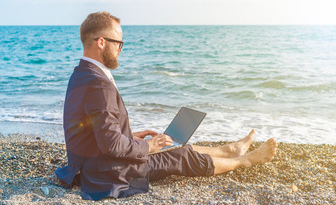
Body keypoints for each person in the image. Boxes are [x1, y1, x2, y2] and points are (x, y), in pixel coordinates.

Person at [55, 11, 278, 201]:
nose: (121, 49)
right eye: (118, 43)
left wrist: (130, 136)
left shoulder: (82, 73)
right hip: (105, 172)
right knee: (180, 157)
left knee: (172, 147)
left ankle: (231, 150)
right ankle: (246, 160)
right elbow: (111, 145)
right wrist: (147, 147)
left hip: (91, 164)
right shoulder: (98, 83)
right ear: (101, 42)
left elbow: (93, 128)